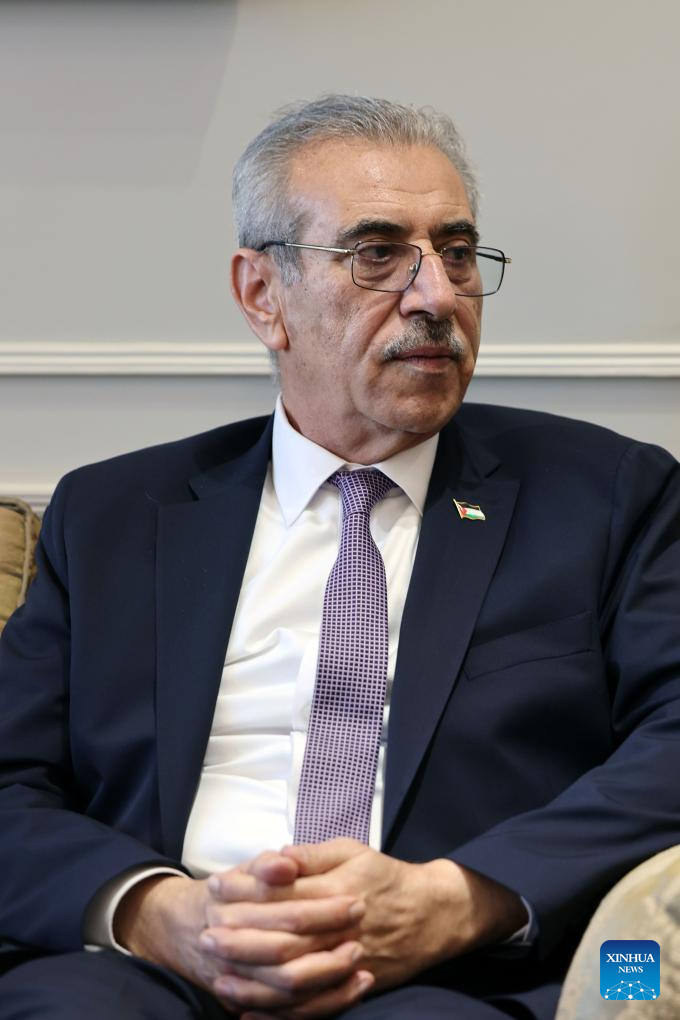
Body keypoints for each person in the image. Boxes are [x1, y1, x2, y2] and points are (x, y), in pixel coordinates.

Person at [0, 94, 679, 1020]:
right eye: (377, 255)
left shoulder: (606, 496)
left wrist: (458, 898)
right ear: (262, 296)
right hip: (150, 971)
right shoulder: (114, 516)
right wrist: (154, 912)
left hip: (446, 977)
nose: (437, 297)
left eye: (457, 253)